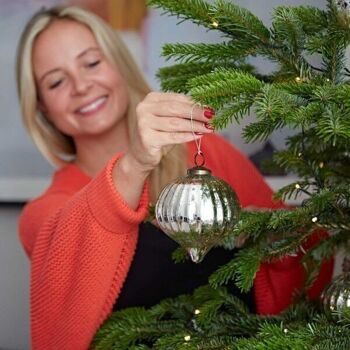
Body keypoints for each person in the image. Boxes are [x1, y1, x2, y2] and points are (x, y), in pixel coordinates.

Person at [16, 5, 333, 350]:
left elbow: (307, 250)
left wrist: (261, 231)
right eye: (57, 81)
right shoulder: (46, 214)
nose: (81, 86)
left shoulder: (207, 155)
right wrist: (134, 163)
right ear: (43, 107)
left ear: (119, 63)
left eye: (92, 63)